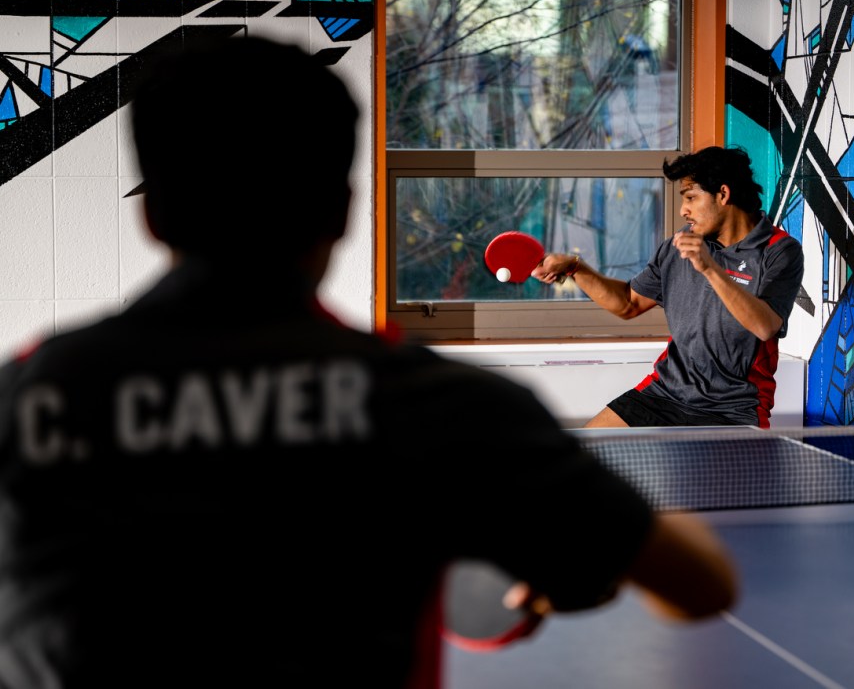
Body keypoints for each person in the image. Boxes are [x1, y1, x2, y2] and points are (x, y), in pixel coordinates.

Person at [0, 35, 737, 689]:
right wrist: (583, 561)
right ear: (344, 209)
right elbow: (702, 587)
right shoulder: (443, 406)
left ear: (151, 212)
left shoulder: (29, 391)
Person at [534, 146, 804, 428]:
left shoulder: (779, 251)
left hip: (732, 408)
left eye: (691, 197)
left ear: (723, 194)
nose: (683, 210)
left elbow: (765, 326)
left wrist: (710, 268)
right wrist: (575, 268)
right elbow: (628, 303)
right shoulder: (681, 244)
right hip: (664, 394)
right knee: (583, 448)